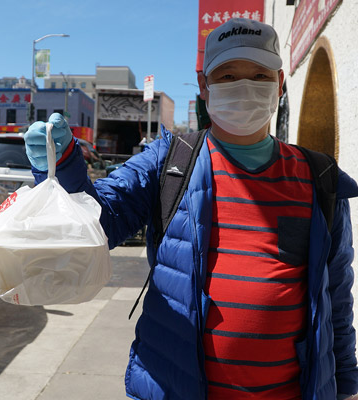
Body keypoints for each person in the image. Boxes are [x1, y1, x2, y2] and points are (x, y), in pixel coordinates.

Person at [24, 18, 358, 400]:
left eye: (259, 74)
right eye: (228, 75)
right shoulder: (170, 161)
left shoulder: (320, 178)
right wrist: (63, 164)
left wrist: (346, 385)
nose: (244, 86)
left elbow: (337, 297)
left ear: (280, 83)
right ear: (204, 86)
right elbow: (98, 221)